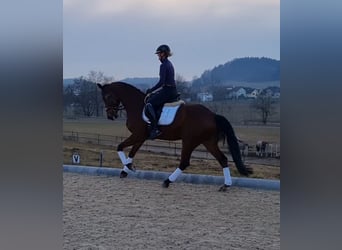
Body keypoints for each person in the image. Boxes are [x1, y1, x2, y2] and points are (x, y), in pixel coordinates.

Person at [145, 44, 178, 140]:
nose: (158, 56)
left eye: (159, 54)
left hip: (167, 91)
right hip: (172, 90)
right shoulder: (169, 63)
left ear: (163, 54)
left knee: (149, 103)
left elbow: (161, 82)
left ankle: (155, 129)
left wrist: (150, 90)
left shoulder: (163, 65)